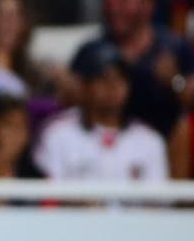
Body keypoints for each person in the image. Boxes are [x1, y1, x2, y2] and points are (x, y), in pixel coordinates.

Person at [70, 0, 194, 139]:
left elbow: (190, 95)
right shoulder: (91, 51)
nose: (112, 5)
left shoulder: (175, 48)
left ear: (148, 4)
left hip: (162, 149)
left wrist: (174, 80)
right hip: (98, 149)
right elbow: (70, 106)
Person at [35, 44, 168, 181]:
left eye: (121, 78)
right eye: (103, 78)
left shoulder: (149, 139)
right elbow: (50, 196)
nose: (113, 86)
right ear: (84, 85)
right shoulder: (57, 133)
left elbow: (158, 201)